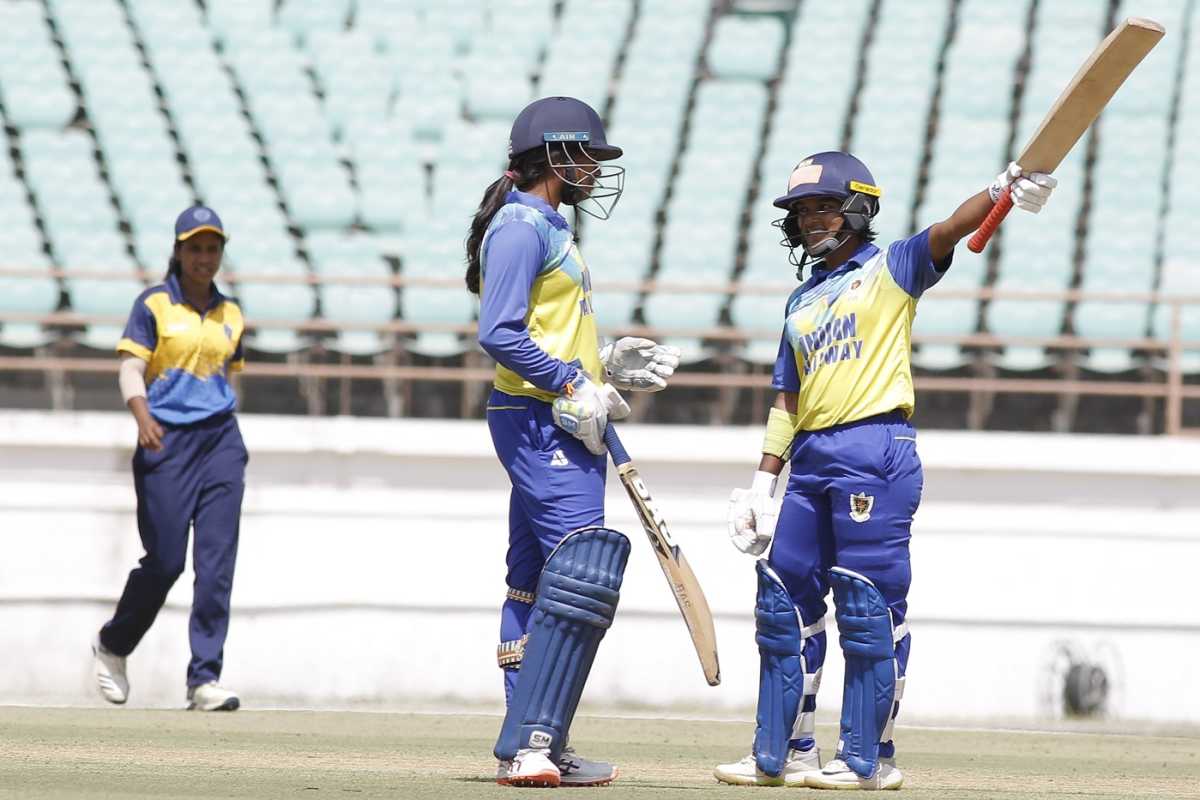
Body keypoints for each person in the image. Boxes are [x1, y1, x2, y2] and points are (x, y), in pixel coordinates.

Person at [713, 153, 1056, 789]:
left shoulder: (892, 268)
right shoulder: (800, 299)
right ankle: (787, 749)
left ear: (858, 207)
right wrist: (763, 482)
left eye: (824, 205)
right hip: (810, 457)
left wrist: (999, 191)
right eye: (802, 211)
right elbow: (786, 399)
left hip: (877, 447)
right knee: (783, 602)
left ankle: (871, 758)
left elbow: (951, 229)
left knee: (868, 607)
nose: (811, 219)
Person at [465, 96, 681, 788]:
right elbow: (499, 332)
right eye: (586, 154)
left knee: (532, 583)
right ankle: (533, 742)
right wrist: (567, 382)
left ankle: (529, 743)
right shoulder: (521, 227)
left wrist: (603, 365)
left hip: (552, 415)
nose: (595, 167)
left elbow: (544, 326)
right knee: (581, 576)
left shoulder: (547, 225)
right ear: (553, 156)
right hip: (538, 419)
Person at [91, 205, 248, 712]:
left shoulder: (232, 313)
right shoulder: (154, 304)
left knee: (217, 564)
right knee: (165, 561)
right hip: (165, 440)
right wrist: (141, 415)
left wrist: (224, 432)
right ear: (178, 251)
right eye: (195, 248)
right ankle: (113, 645)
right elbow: (131, 369)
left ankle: (204, 678)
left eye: (212, 248)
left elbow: (229, 379)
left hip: (220, 441)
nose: (204, 258)